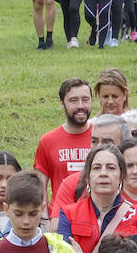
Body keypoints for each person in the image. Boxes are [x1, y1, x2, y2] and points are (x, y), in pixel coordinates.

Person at [58, 144, 136, 253]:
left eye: (110, 168)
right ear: (87, 177)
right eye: (96, 168)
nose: (103, 173)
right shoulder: (68, 214)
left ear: (121, 176)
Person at [34, 78, 94, 213]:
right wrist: (44, 219)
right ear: (62, 103)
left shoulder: (101, 137)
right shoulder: (47, 141)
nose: (81, 105)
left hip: (95, 216)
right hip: (59, 216)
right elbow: (40, 185)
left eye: (85, 99)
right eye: (73, 100)